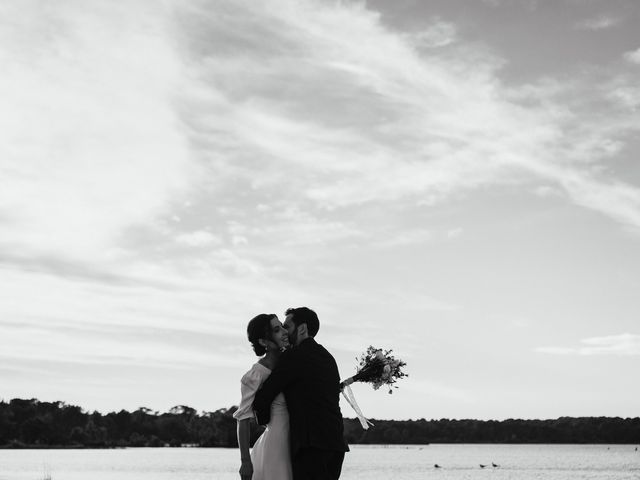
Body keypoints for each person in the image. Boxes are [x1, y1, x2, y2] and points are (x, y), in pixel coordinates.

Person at [253, 307, 349, 480]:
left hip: (311, 448)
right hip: (336, 446)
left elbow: (264, 397)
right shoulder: (328, 357)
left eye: (287, 327)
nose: (284, 332)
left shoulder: (294, 356)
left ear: (302, 329)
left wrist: (268, 422)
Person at [233, 313, 293, 480]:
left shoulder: (293, 361)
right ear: (263, 341)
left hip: (299, 445)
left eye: (282, 326)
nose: (284, 331)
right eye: (276, 329)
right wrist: (245, 461)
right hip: (276, 448)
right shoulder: (256, 375)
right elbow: (242, 419)